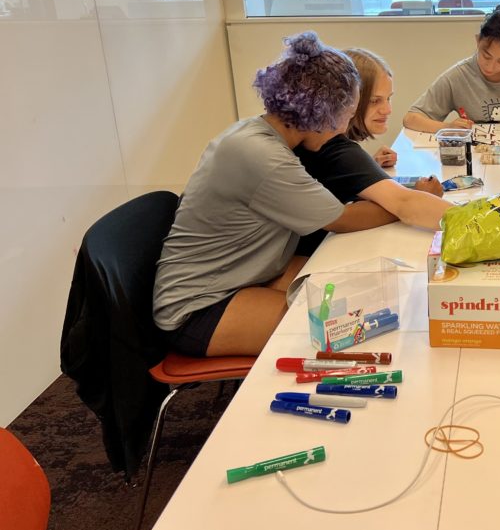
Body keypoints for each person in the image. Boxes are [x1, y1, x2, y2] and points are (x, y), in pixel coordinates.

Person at [152, 33, 446, 358]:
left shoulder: (256, 134)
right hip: (198, 306)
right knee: (353, 324)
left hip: (245, 272)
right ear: (321, 112)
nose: (342, 130)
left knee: (362, 291)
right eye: (345, 118)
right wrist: (403, 205)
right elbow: (342, 219)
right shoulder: (264, 156)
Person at [297, 46, 449, 237]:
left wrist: (368, 165)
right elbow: (404, 204)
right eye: (375, 101)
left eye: (388, 99)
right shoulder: (336, 149)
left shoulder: (324, 139)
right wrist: (424, 197)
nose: (387, 110)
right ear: (348, 100)